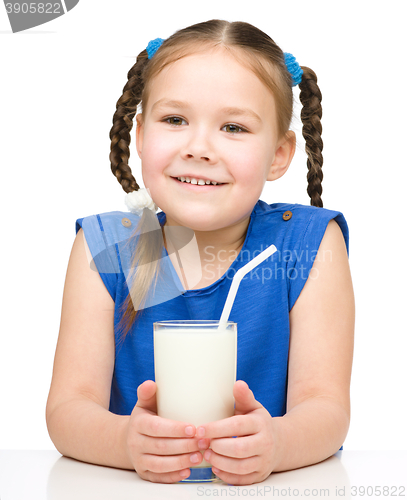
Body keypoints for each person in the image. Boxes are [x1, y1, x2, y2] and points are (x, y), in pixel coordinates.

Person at [46, 19, 355, 485]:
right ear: (142, 135)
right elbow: (68, 410)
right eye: (174, 120)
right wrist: (125, 442)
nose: (199, 147)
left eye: (233, 127)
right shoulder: (112, 246)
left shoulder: (305, 246)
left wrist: (278, 444)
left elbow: (326, 408)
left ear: (279, 153)